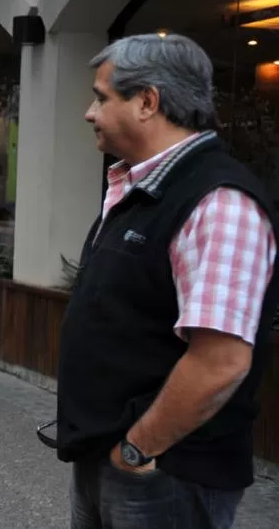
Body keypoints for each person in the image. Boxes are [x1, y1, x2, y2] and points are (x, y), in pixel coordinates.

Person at [54, 33, 279, 528]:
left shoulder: (219, 202)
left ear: (147, 102)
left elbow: (221, 363)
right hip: (109, 458)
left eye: (101, 97)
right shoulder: (137, 185)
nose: (89, 112)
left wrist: (136, 450)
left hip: (165, 473)